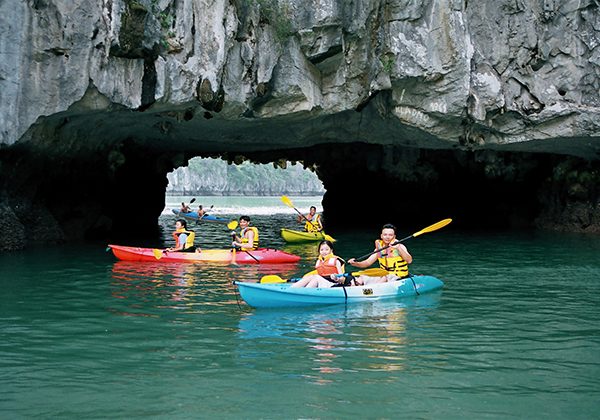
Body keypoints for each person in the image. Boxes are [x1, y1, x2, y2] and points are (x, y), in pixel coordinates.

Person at [347, 223, 412, 285]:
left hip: (398, 276)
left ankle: (374, 288)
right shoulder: (379, 250)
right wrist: (355, 263)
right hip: (384, 274)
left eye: (390, 235)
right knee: (362, 277)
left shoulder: (400, 246)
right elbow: (367, 263)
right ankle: (357, 285)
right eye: (385, 234)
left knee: (385, 277)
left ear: (394, 236)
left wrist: (398, 247)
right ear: (381, 236)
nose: (387, 237)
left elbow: (409, 260)